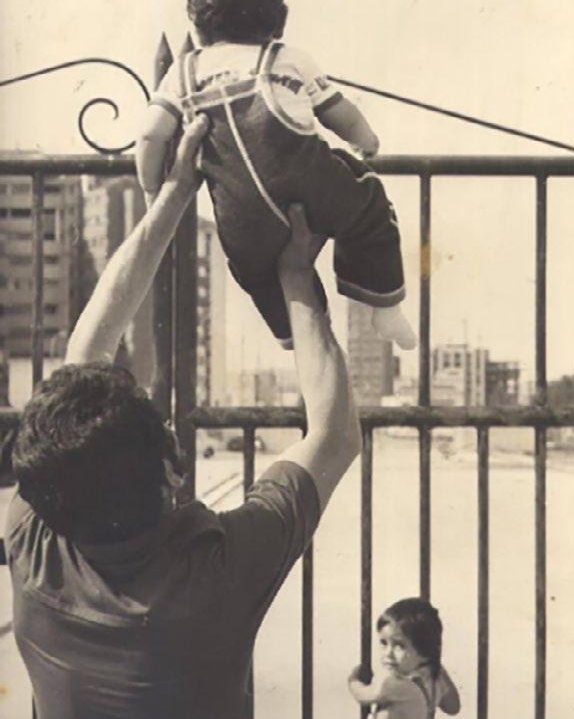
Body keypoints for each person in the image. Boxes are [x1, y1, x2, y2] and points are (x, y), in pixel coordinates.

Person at [4, 114, 362, 719]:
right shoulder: (217, 574)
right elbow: (335, 434)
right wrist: (297, 277)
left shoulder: (33, 536)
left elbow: (84, 356)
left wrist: (169, 197)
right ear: (171, 474)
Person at [136, 0, 416, 351]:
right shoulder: (287, 60)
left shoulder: (183, 75)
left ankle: (290, 333)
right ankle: (384, 304)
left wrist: (152, 191)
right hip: (312, 189)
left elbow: (150, 136)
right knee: (368, 203)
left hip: (242, 215)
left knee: (254, 271)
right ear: (280, 18)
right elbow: (340, 115)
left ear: (195, 23)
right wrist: (366, 142)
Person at [348, 598, 461, 718]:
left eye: (399, 646)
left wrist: (353, 680)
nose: (388, 653)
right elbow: (453, 707)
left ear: (423, 651)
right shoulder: (434, 681)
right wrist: (436, 665)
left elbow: (363, 695)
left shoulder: (393, 683)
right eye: (384, 643)